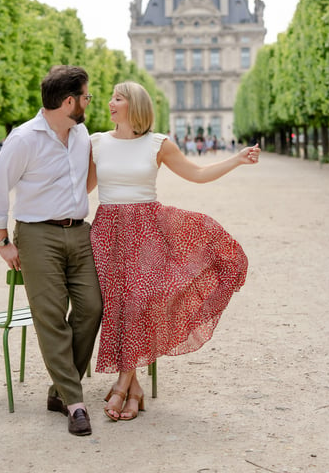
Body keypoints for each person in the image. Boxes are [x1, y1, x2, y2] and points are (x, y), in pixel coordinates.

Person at [87, 81, 260, 422]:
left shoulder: (158, 143)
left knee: (140, 299)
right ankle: (134, 389)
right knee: (118, 306)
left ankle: (123, 384)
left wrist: (236, 160)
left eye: (118, 98)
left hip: (147, 229)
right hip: (107, 232)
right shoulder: (96, 142)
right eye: (111, 98)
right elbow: (83, 188)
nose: (110, 103)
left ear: (134, 104)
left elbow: (197, 173)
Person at [0, 65, 102, 436]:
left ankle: (58, 391)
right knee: (51, 317)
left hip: (79, 231)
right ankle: (76, 402)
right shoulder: (23, 139)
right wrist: (3, 242)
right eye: (85, 96)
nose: (88, 101)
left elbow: (84, 182)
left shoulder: (82, 134)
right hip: (37, 236)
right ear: (69, 101)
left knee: (92, 307)